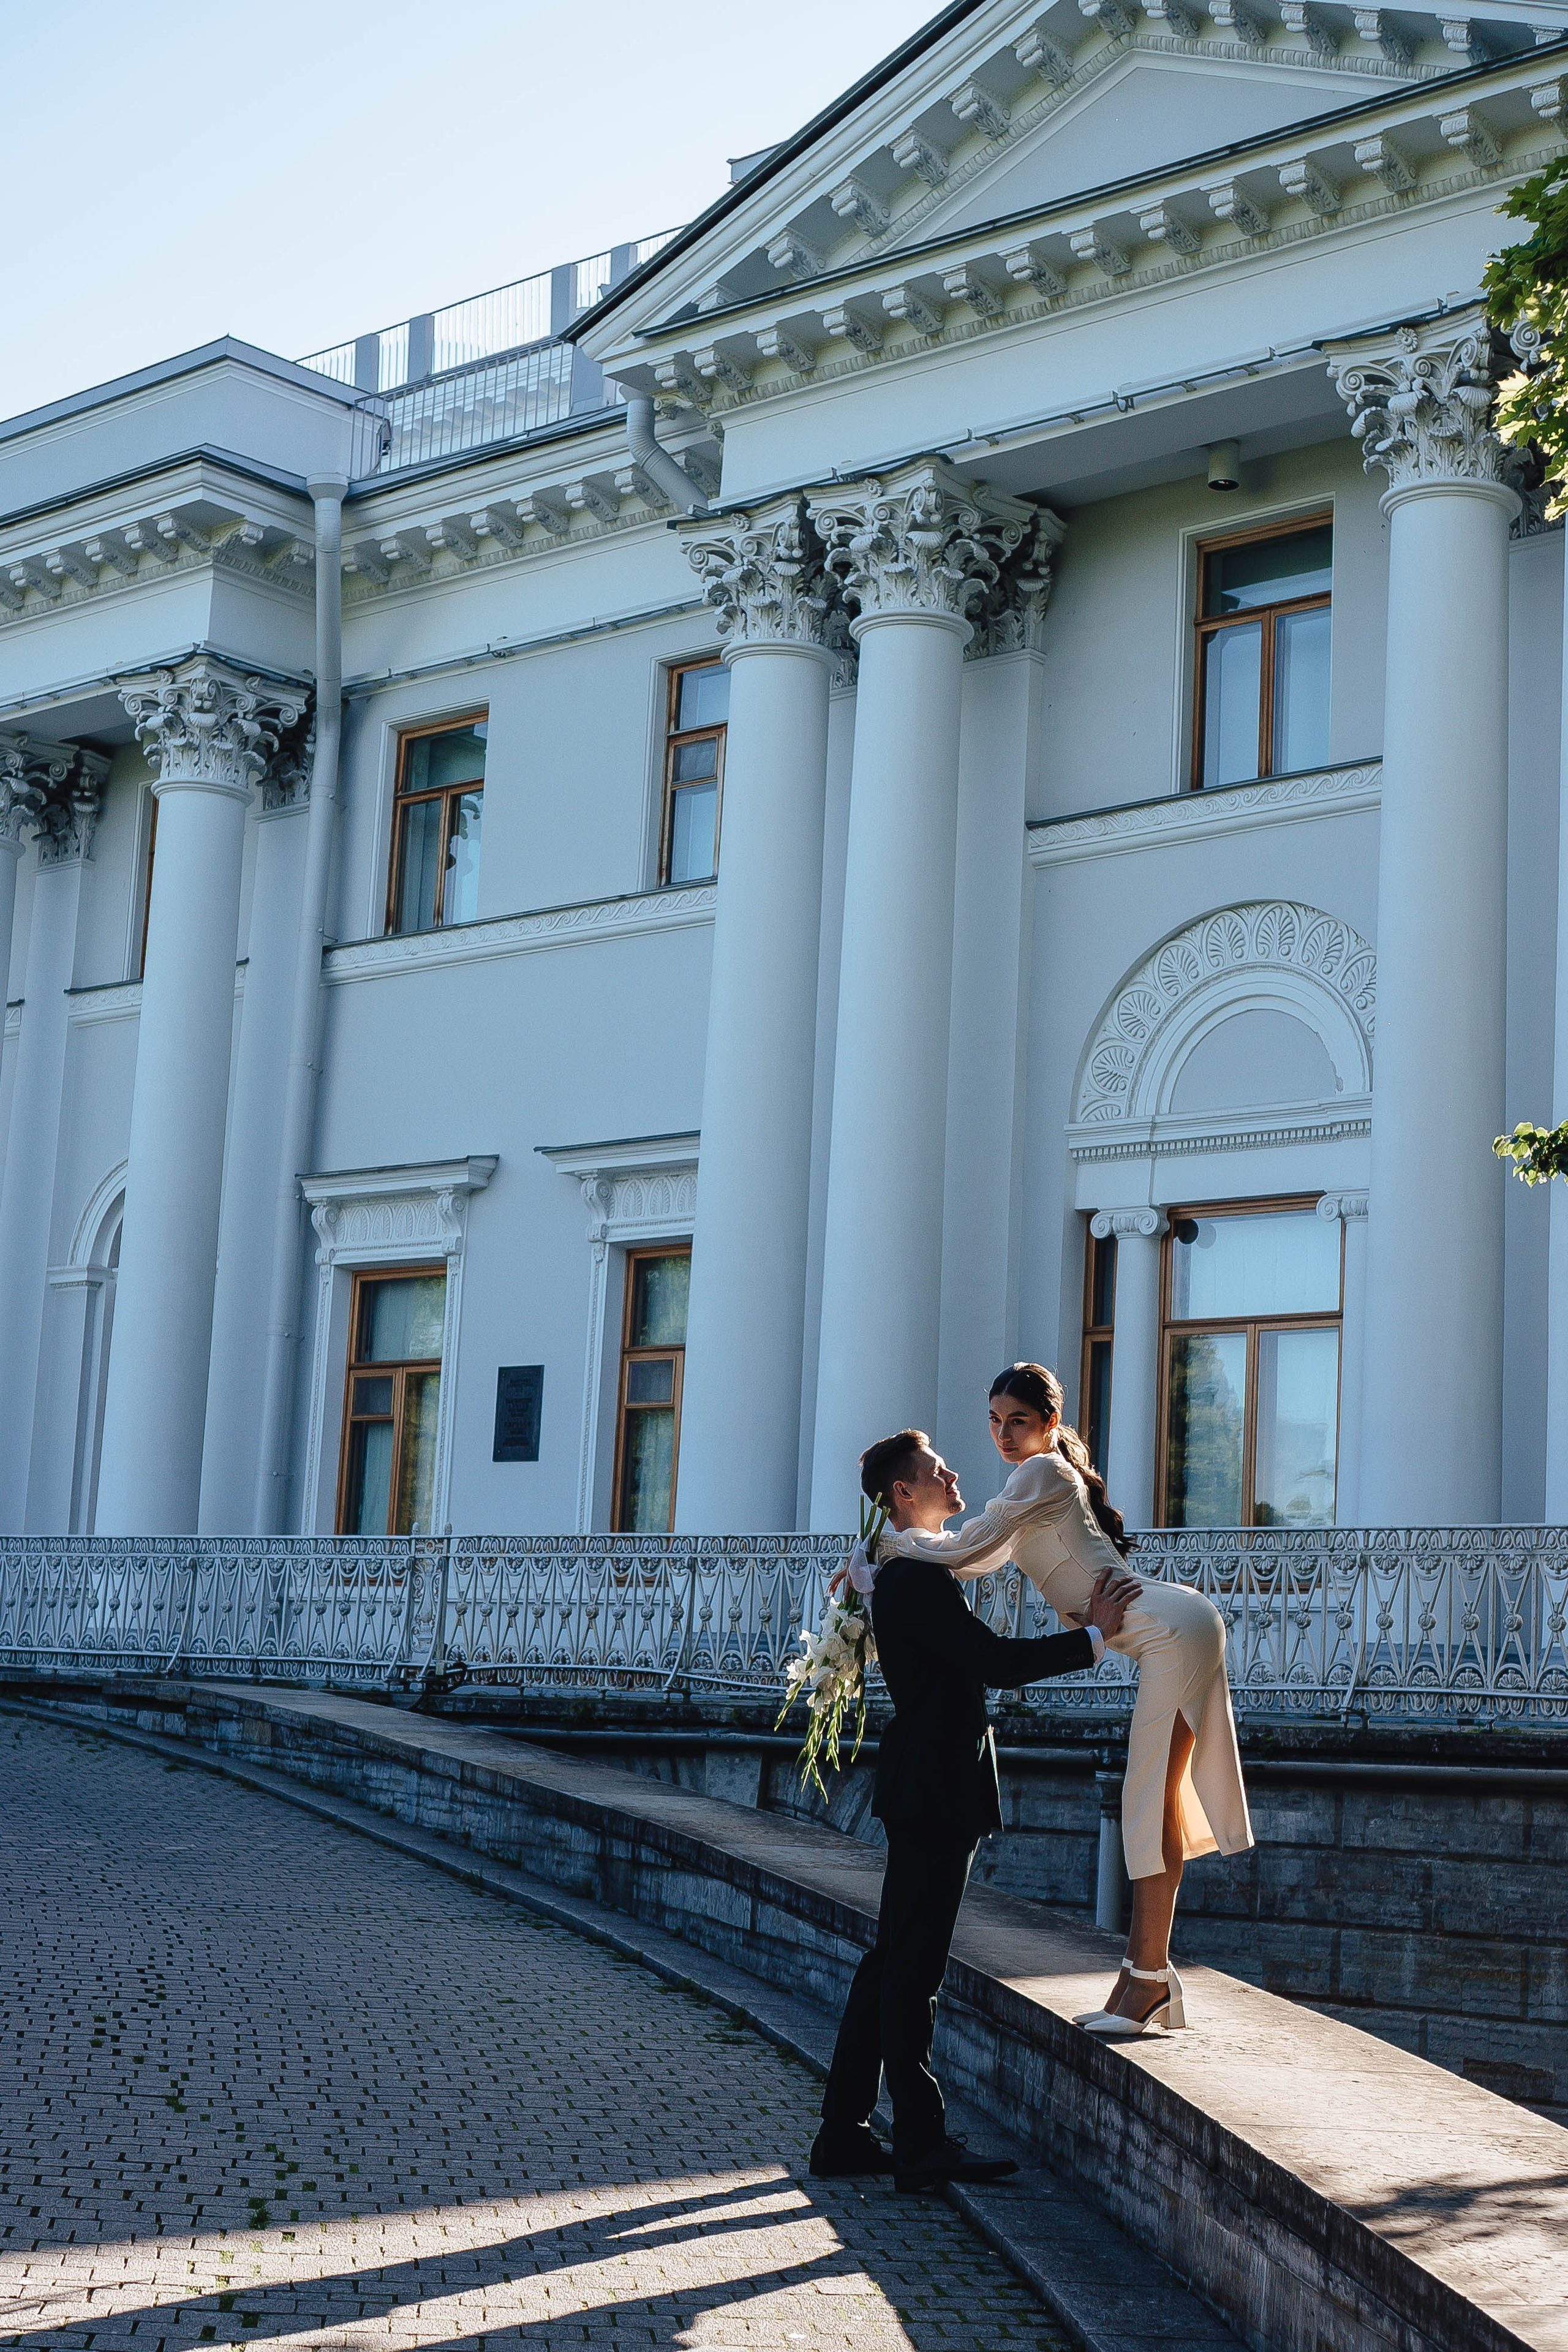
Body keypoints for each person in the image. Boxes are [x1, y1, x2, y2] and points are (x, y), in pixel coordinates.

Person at [876, 1363, 1254, 2038]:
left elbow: (966, 1548)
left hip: (1173, 1633)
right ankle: (1148, 1981)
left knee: (1146, 1803)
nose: (1001, 1434)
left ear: (1050, 1423)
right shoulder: (1033, 1480)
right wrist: (880, 1557)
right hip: (1173, 1628)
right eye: (993, 1421)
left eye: (1016, 1420)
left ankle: (1146, 1983)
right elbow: (972, 1557)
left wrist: (876, 1547)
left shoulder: (1042, 1473)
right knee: (1154, 1803)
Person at [810, 1427, 1139, 2192]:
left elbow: (964, 1648)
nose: (954, 1474)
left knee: (888, 1962)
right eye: (936, 1470)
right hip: (936, 1789)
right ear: (903, 1494)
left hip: (922, 1785)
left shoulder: (900, 1570)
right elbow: (987, 1661)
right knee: (912, 1971)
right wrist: (1093, 1637)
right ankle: (920, 2143)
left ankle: (844, 2132)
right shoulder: (914, 1580)